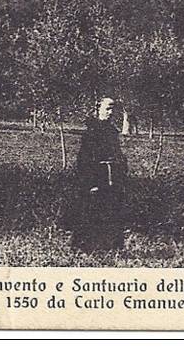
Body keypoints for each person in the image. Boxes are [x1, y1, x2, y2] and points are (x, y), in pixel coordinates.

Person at [71, 96, 129, 252]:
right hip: (96, 178)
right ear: (98, 110)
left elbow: (118, 155)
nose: (110, 112)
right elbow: (84, 160)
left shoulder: (112, 131)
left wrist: (121, 171)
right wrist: (91, 183)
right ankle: (86, 247)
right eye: (107, 108)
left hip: (112, 178)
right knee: (92, 211)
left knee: (111, 211)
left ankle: (109, 247)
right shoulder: (91, 132)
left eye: (112, 109)